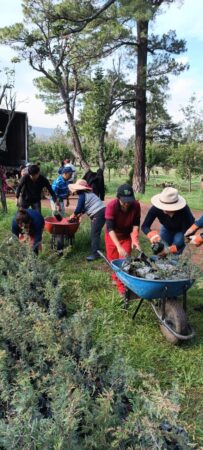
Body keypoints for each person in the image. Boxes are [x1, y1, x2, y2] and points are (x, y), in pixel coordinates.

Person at [105, 183, 141, 296]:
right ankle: (116, 278)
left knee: (125, 262)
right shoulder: (111, 206)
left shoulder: (135, 205)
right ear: (118, 198)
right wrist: (118, 246)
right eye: (123, 201)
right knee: (113, 260)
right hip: (112, 236)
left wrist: (134, 239)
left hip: (126, 236)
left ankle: (122, 289)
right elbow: (110, 228)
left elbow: (136, 223)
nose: (126, 204)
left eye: (129, 201)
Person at [142, 187, 195, 256]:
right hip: (166, 228)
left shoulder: (184, 211)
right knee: (160, 250)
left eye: (168, 208)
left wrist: (170, 249)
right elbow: (145, 226)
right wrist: (152, 235)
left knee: (176, 252)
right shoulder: (156, 208)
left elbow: (187, 237)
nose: (164, 210)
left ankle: (175, 262)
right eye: (163, 206)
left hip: (182, 231)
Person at [69, 179, 105, 261]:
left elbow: (78, 209)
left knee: (94, 233)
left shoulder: (82, 195)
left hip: (98, 213)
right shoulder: (88, 194)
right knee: (95, 232)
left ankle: (95, 254)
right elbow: (85, 208)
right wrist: (79, 214)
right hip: (101, 212)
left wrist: (73, 215)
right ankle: (97, 250)